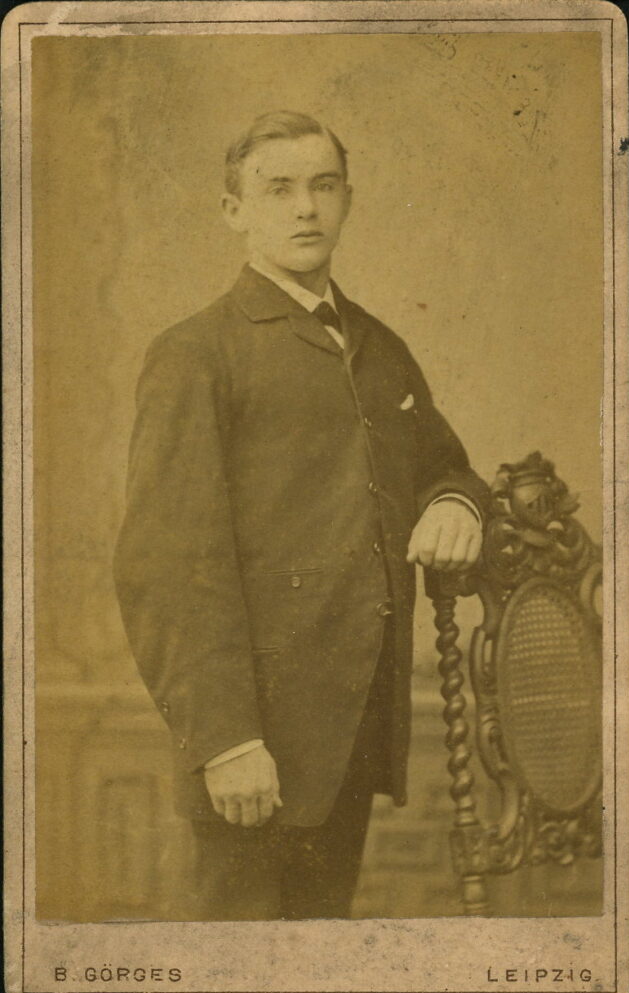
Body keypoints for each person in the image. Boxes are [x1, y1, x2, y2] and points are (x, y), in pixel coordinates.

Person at [114, 110, 489, 921]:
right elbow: (167, 568)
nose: (304, 209)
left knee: (318, 962)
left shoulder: (379, 345)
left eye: (323, 186)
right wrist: (226, 742)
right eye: (277, 189)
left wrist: (454, 501)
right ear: (233, 211)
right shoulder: (197, 354)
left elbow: (442, 463)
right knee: (237, 978)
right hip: (252, 751)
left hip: (353, 733)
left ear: (347, 199)